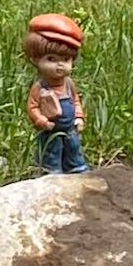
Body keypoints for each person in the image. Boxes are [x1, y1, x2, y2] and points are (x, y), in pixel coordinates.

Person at [22, 11, 88, 175]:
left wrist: (78, 117)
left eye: (65, 60)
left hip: (69, 129)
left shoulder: (68, 85)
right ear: (36, 60)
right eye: (51, 59)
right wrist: (42, 121)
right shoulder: (40, 87)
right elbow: (33, 107)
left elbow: (75, 101)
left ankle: (75, 167)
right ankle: (51, 171)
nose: (60, 65)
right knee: (51, 151)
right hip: (50, 130)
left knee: (73, 149)